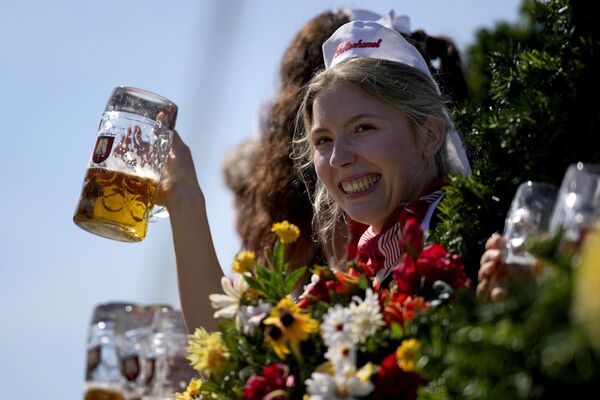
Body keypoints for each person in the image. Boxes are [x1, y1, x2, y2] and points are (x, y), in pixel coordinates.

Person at [161, 13, 470, 332]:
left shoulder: (467, 240)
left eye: (364, 128)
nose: (339, 157)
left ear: (430, 135)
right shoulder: (371, 264)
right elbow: (234, 357)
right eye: (323, 140)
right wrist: (183, 197)